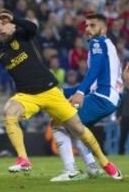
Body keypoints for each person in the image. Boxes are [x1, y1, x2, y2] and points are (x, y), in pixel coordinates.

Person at [0, 9, 122, 180]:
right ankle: (24, 159)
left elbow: (33, 27)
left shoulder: (23, 35)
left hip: (49, 90)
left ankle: (105, 163)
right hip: (27, 95)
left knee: (77, 128)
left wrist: (14, 18)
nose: (0, 27)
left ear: (11, 24)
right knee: (9, 111)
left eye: (3, 23)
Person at [51, 14, 123, 182]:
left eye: (92, 25)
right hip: (108, 98)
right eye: (86, 25)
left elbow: (94, 70)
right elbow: (94, 81)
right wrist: (65, 92)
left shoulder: (98, 43)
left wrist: (80, 93)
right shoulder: (108, 46)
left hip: (102, 97)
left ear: (103, 29)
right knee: (76, 127)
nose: (88, 29)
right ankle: (93, 169)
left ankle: (71, 170)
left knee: (59, 123)